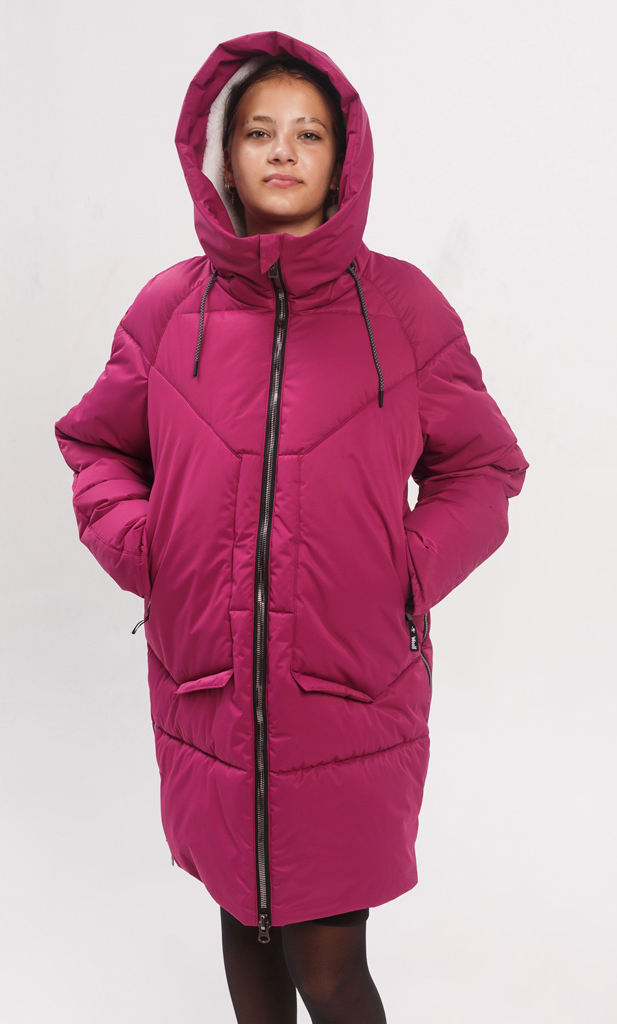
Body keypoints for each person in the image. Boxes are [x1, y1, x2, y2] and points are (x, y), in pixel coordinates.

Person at [55, 31, 528, 1024]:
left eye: (308, 133)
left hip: (351, 680)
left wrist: (407, 568)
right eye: (259, 131)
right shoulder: (168, 311)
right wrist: (144, 546)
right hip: (208, 681)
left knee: (329, 965)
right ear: (222, 158)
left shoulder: (402, 309)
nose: (282, 150)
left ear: (341, 160)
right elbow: (98, 445)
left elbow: (483, 465)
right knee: (247, 922)